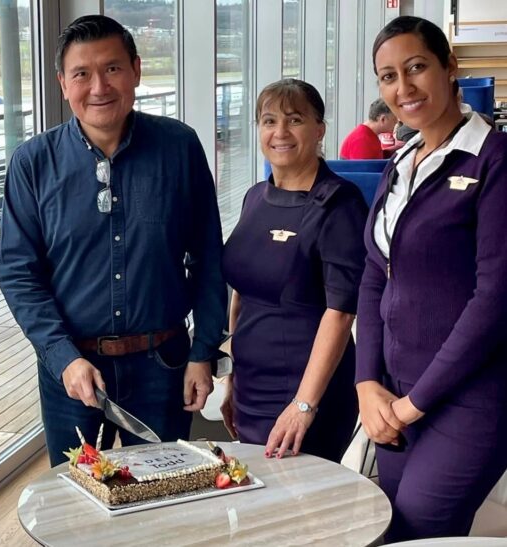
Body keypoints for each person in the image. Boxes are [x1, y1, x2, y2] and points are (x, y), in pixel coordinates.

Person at [0, 15, 227, 466]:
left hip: (163, 364)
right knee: (76, 501)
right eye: (82, 74)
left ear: (136, 71)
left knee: (162, 494)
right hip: (73, 370)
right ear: (63, 84)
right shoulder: (33, 163)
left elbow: (208, 257)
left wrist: (203, 354)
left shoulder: (179, 147)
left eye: (113, 69)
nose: (98, 86)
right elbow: (18, 273)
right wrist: (61, 357)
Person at [356, 16, 507, 541]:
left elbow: (495, 299)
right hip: (395, 396)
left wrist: (412, 404)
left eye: (417, 67)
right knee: (385, 526)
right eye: (388, 76)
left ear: (450, 67)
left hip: (469, 398)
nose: (404, 88)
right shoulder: (401, 161)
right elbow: (374, 274)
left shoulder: (494, 162)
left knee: (417, 527)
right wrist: (366, 383)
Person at [220, 79, 367, 463]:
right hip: (252, 385)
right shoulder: (255, 197)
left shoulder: (338, 205)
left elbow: (340, 313)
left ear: (319, 129)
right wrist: (234, 377)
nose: (279, 132)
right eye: (268, 121)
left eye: (294, 119)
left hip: (307, 390)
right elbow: (243, 291)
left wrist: (304, 406)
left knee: (301, 512)